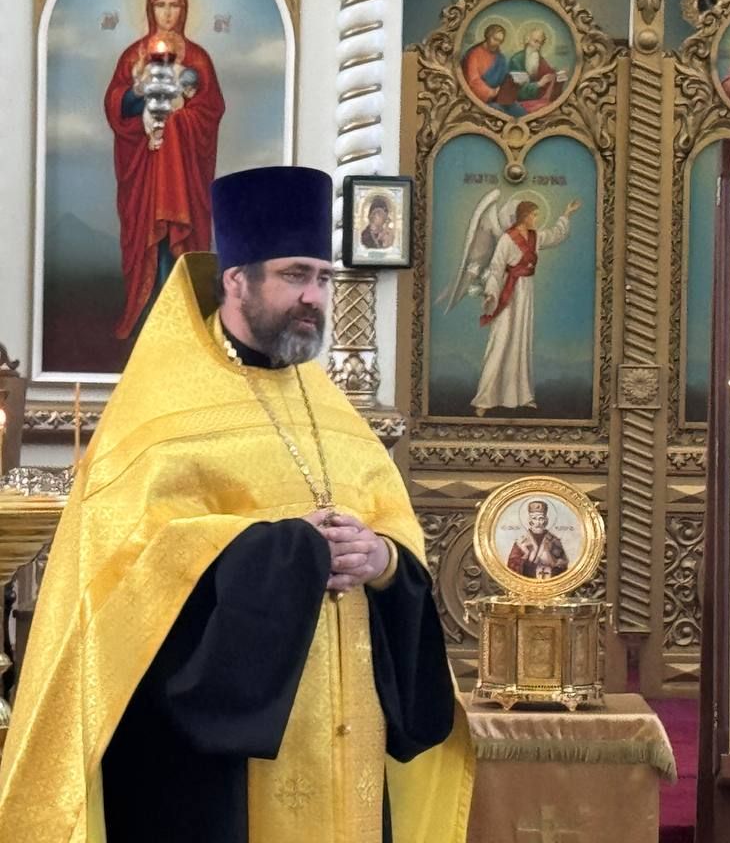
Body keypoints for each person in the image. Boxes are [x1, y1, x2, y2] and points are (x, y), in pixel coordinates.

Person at [0, 166, 471, 842]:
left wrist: (383, 560)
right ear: (237, 280)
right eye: (294, 275)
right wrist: (288, 551)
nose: (313, 296)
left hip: (347, 742)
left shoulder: (334, 411)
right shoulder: (162, 407)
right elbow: (126, 576)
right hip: (216, 769)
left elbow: (395, 537)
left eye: (323, 279)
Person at [105, 0, 225, 340]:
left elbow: (211, 110)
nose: (168, 13)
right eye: (161, 5)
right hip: (145, 167)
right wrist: (139, 96)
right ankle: (147, 317)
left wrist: (177, 121)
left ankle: (183, 323)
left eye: (174, 5)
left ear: (184, 10)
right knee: (148, 239)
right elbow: (115, 104)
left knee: (179, 239)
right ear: (150, 10)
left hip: (182, 172)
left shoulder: (198, 58)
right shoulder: (134, 56)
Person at [472, 197, 581, 416]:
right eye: (534, 215)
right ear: (524, 216)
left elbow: (556, 235)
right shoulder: (507, 239)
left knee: (521, 341)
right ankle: (484, 399)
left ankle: (522, 396)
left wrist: (566, 215)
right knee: (501, 341)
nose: (536, 219)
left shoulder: (535, 237)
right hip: (508, 292)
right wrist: (491, 294)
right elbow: (496, 267)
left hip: (526, 292)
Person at [462, 23, 521, 116]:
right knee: (500, 112)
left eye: (500, 41)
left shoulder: (500, 58)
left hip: (500, 98)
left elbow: (505, 78)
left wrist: (514, 82)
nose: (497, 43)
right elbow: (473, 81)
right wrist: (491, 92)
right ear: (488, 36)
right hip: (481, 99)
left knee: (519, 110)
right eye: (495, 39)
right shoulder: (474, 54)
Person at [506, 499, 570, 579]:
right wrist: (526, 556)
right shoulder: (521, 542)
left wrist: (551, 560)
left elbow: (563, 567)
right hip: (526, 581)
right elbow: (512, 566)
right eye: (534, 518)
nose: (538, 522)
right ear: (530, 521)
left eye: (541, 518)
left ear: (546, 520)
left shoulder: (554, 541)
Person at [507, 27, 565, 113]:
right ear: (527, 40)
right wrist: (538, 84)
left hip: (538, 101)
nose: (538, 46)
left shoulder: (540, 60)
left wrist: (559, 76)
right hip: (519, 103)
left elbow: (551, 76)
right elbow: (516, 91)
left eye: (541, 43)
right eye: (536, 41)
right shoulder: (516, 60)